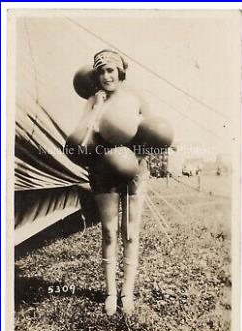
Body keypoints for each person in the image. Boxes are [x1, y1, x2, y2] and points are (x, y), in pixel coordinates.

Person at [66, 49, 150, 316]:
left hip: (134, 166)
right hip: (102, 167)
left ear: (120, 72)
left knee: (131, 231)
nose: (106, 76)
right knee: (109, 231)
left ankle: (127, 292)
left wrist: (133, 161)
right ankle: (111, 293)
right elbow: (81, 139)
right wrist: (98, 108)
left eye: (110, 70)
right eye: (101, 71)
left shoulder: (135, 98)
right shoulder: (92, 101)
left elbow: (150, 132)